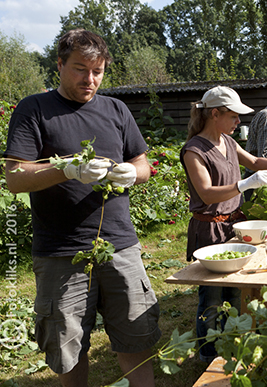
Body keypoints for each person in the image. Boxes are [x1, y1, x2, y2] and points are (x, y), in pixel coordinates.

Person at [3, 29, 159, 387]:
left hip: (120, 246)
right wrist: (66, 168)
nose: (90, 79)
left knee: (136, 333)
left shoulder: (115, 109)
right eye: (79, 69)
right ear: (59, 65)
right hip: (62, 252)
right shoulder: (35, 109)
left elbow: (143, 164)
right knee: (68, 347)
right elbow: (15, 177)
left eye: (98, 71)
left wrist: (130, 173)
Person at [180, 86, 267, 363]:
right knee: (211, 297)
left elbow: (255, 161)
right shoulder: (194, 150)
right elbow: (207, 192)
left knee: (235, 293)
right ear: (215, 114)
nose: (238, 123)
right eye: (233, 117)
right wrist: (244, 184)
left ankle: (231, 347)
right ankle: (208, 355)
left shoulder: (228, 142)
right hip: (209, 230)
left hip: (234, 229)